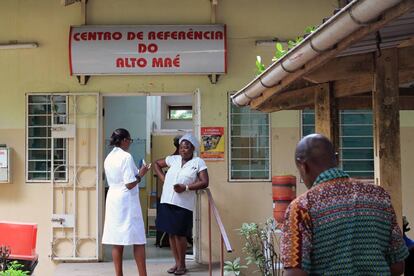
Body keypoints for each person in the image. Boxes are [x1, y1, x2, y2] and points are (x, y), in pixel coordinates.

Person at [281, 133, 409, 276]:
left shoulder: (302, 207)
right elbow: (398, 266)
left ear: (303, 166)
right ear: (336, 158)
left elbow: (294, 273)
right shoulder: (379, 196)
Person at [154, 133, 209, 275]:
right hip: (167, 200)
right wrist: (164, 179)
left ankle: (183, 265)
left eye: (186, 147)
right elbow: (156, 164)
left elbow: (204, 182)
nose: (183, 150)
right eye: (181, 147)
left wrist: (186, 188)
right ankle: (177, 263)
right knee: (171, 234)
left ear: (193, 149)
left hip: (183, 203)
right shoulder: (174, 159)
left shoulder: (198, 162)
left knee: (180, 234)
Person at [102, 128, 151, 276]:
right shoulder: (126, 157)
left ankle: (119, 274)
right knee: (138, 239)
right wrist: (141, 174)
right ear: (124, 140)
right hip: (126, 199)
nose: (130, 143)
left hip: (113, 198)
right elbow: (130, 183)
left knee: (117, 240)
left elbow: (123, 177)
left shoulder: (109, 157)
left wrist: (138, 172)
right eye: (129, 140)